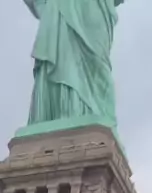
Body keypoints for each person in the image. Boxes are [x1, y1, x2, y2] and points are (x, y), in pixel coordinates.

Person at [22, 0, 124, 129]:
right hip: (59, 7)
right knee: (63, 56)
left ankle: (96, 114)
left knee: (97, 66)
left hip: (94, 7)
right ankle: (65, 113)